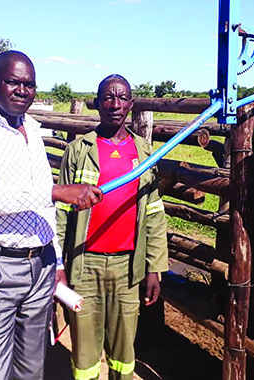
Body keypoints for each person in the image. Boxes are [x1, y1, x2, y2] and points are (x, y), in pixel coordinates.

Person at [0, 50, 103, 380]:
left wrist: (56, 261)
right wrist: (55, 192)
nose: (22, 91)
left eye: (29, 85)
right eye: (13, 82)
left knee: (31, 370)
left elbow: (42, 211)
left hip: (39, 266)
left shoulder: (32, 130)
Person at [55, 74, 168, 380]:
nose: (115, 104)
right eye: (108, 97)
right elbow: (62, 212)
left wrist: (154, 268)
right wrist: (56, 264)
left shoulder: (144, 153)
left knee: (123, 354)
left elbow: (155, 215)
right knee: (85, 354)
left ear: (130, 105)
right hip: (84, 264)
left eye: (121, 98)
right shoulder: (79, 150)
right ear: (97, 103)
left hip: (128, 268)